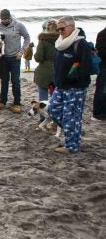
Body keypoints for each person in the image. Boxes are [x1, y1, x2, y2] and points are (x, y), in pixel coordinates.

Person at [47, 16, 93, 154]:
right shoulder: (60, 43)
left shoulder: (80, 44)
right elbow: (58, 65)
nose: (60, 31)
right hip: (60, 86)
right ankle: (73, 131)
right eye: (58, 29)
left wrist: (72, 79)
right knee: (53, 110)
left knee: (71, 117)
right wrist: (55, 80)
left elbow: (86, 68)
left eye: (62, 28)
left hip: (75, 88)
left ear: (72, 27)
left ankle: (71, 146)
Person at [0, 8, 30, 113]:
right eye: (2, 19)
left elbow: (27, 38)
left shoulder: (18, 25)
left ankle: (17, 103)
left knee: (15, 81)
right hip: (3, 58)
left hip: (15, 58)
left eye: (5, 19)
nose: (3, 21)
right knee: (4, 81)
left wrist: (22, 51)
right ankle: (2, 101)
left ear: (10, 17)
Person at [33, 20, 59, 102]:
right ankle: (54, 114)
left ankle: (43, 115)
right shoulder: (62, 40)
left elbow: (38, 58)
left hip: (44, 71)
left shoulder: (43, 40)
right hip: (58, 70)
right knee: (55, 99)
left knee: (43, 100)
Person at [93, 25, 106, 121]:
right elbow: (99, 51)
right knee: (101, 90)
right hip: (104, 66)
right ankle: (97, 113)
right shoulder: (102, 34)